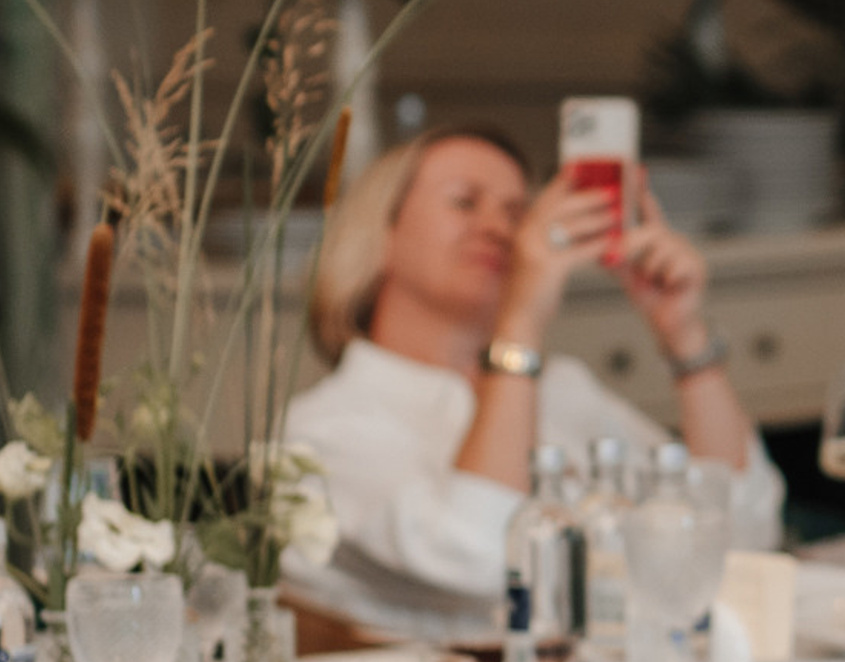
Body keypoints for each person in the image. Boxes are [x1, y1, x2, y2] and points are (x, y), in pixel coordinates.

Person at [284, 127, 783, 636]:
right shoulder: (324, 428)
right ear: (379, 235)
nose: (500, 230)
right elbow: (480, 555)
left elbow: (742, 532)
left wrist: (684, 338)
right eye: (464, 202)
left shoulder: (564, 388)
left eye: (516, 213)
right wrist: (521, 322)